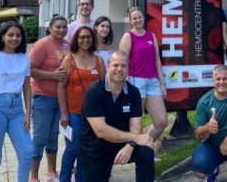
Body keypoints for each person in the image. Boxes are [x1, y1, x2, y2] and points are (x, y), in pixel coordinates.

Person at [79, 51, 155, 182]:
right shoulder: (93, 92)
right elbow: (101, 130)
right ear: (108, 67)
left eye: (123, 66)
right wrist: (135, 138)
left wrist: (130, 145)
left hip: (122, 144)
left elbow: (136, 125)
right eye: (115, 65)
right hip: (96, 149)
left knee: (145, 150)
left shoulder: (134, 92)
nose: (119, 69)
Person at [0, 21, 33, 182]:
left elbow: (27, 86)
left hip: (16, 110)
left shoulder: (24, 57)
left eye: (18, 35)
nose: (14, 38)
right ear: (2, 37)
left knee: (27, 152)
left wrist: (27, 113)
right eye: (10, 35)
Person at [58, 26, 105, 182]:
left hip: (94, 114)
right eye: (82, 37)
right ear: (76, 39)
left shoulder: (99, 60)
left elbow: (105, 87)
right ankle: (64, 179)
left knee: (86, 149)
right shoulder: (68, 59)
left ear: (93, 39)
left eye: (89, 37)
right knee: (73, 148)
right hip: (73, 112)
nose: (85, 40)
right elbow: (60, 86)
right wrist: (64, 112)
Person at [29, 15, 70, 182]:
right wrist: (51, 75)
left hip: (60, 98)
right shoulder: (42, 44)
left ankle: (52, 173)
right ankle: (33, 176)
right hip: (42, 97)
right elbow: (30, 69)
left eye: (64, 27)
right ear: (50, 28)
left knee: (53, 137)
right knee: (39, 138)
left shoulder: (67, 44)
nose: (61, 30)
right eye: (57, 27)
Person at [119, 6, 168, 140]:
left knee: (161, 122)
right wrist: (125, 84)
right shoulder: (128, 36)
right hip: (135, 82)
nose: (137, 20)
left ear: (143, 18)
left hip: (152, 82)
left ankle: (145, 144)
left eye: (139, 17)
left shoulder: (151, 35)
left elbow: (157, 60)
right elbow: (122, 62)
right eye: (134, 18)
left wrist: (162, 83)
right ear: (130, 21)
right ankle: (137, 153)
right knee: (136, 123)